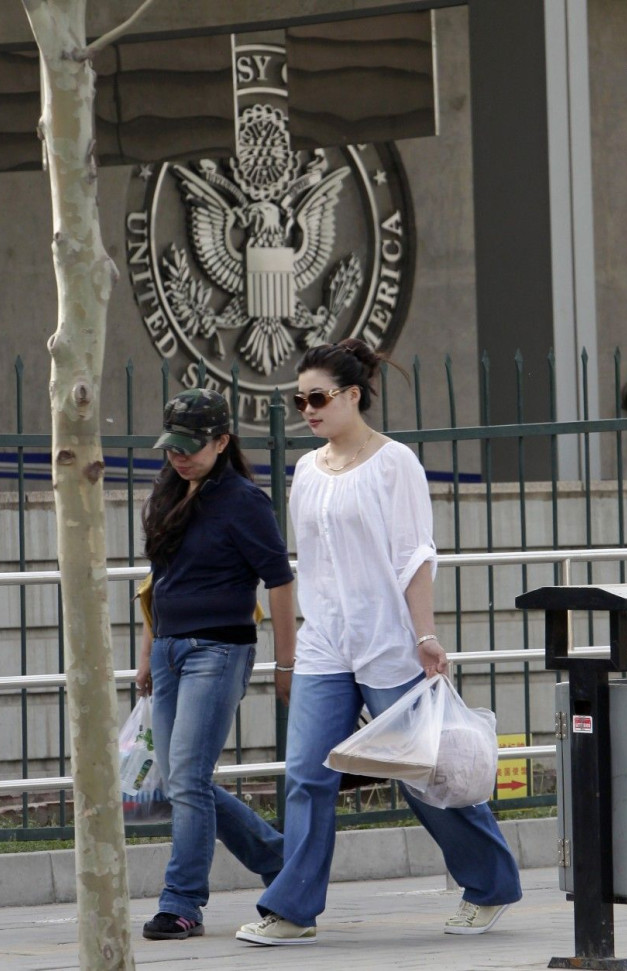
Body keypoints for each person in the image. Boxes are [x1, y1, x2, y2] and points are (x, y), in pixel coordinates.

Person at [236, 338, 522, 946]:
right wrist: (294, 648)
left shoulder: (397, 464)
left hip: (390, 642)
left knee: (423, 773)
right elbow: (307, 562)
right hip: (325, 645)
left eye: (317, 398)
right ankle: (292, 908)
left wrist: (425, 635)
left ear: (353, 395)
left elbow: (414, 556)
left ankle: (490, 883)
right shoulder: (307, 471)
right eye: (299, 399)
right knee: (308, 774)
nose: (307, 409)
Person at [136, 388, 296, 941]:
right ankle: (280, 860)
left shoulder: (244, 501)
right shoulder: (165, 492)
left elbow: (279, 580)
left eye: (191, 447)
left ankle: (182, 903)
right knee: (185, 778)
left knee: (187, 778)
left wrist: (285, 663)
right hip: (170, 648)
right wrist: (147, 651)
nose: (178, 457)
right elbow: (158, 581)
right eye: (172, 447)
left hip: (219, 650)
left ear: (223, 441)